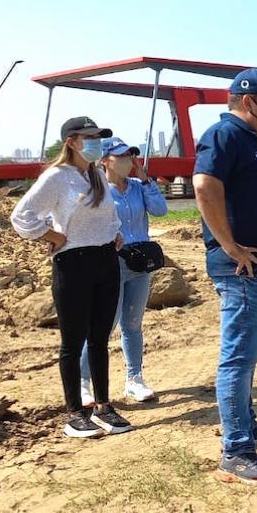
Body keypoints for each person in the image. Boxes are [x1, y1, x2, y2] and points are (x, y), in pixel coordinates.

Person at [193, 68, 257, 486]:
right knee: (237, 357)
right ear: (247, 100)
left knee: (249, 353)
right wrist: (230, 245)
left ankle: (247, 423)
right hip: (243, 271)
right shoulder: (225, 136)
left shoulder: (255, 141)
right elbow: (204, 186)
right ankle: (236, 451)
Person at [11, 117, 133, 439]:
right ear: (72, 142)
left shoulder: (95, 174)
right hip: (73, 264)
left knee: (99, 339)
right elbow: (21, 216)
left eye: (98, 137)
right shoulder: (57, 178)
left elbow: (110, 214)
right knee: (72, 342)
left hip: (105, 261)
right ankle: (74, 413)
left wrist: (115, 233)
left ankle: (103, 406)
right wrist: (50, 235)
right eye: (90, 137)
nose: (96, 142)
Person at [78, 137, 167, 405]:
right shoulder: (97, 191)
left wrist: (147, 181)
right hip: (111, 264)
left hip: (140, 262)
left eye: (131, 155)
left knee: (132, 324)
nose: (128, 160)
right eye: (122, 156)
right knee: (104, 325)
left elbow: (161, 210)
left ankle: (134, 379)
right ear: (105, 161)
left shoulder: (139, 187)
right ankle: (83, 382)